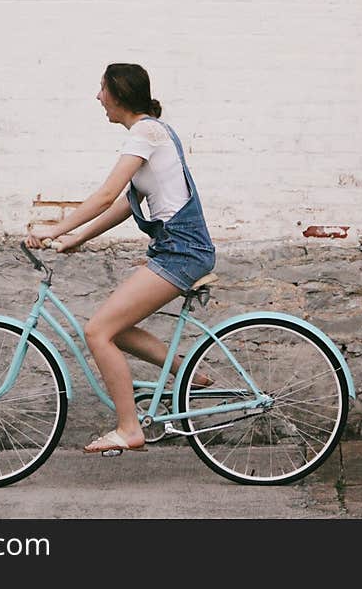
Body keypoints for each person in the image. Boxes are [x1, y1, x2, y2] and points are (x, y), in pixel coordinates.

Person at [25, 63, 216, 454]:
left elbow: (104, 195)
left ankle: (129, 428)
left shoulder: (146, 132)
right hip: (175, 249)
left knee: (97, 331)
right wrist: (77, 238)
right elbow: (127, 205)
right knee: (116, 328)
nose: (98, 98)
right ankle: (187, 370)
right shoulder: (152, 135)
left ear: (119, 93)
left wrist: (53, 229)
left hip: (182, 252)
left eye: (102, 90)